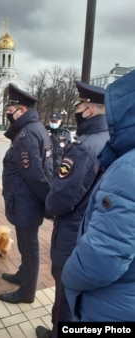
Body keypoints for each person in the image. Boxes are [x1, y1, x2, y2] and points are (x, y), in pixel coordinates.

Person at [36, 81, 109, 338]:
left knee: (64, 298)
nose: (76, 109)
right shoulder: (109, 140)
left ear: (88, 110)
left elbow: (61, 195)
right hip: (93, 229)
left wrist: (48, 207)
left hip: (71, 232)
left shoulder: (83, 147)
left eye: (78, 104)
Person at [62, 70, 135, 322]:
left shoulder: (128, 168)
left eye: (79, 105)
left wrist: (68, 276)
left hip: (111, 306)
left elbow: (104, 257)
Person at [0, 83, 53, 304]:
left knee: (28, 247)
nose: (9, 116)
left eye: (10, 112)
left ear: (21, 110)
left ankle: (27, 292)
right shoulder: (35, 128)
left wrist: (49, 203)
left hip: (26, 203)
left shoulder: (26, 135)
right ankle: (23, 274)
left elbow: (36, 176)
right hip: (26, 202)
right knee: (25, 245)